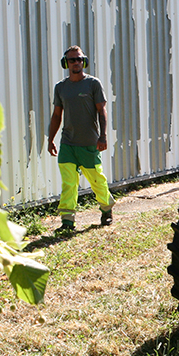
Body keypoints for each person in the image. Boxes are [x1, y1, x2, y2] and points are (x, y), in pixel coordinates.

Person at [47, 46, 115, 234]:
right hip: (68, 143)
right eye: (71, 60)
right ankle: (67, 221)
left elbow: (102, 111)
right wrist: (50, 139)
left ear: (83, 61)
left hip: (89, 144)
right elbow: (56, 115)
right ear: (65, 63)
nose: (75, 63)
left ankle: (106, 209)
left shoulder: (93, 84)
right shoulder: (60, 87)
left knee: (97, 181)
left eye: (78, 59)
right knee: (69, 183)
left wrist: (103, 136)